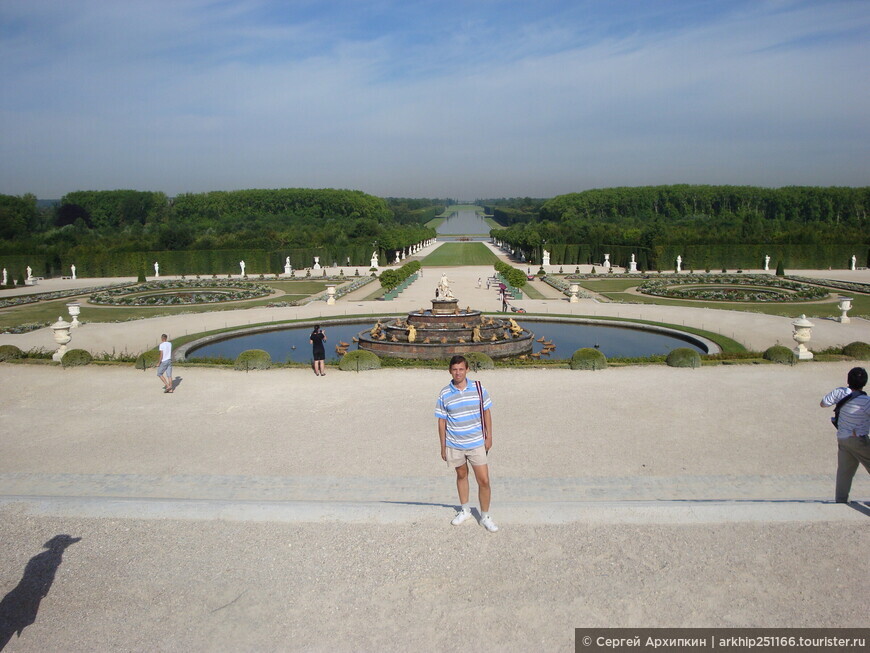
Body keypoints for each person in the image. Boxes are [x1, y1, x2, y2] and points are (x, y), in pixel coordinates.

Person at [435, 355, 498, 532]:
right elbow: (441, 421)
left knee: (484, 480)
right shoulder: (445, 393)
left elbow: (487, 412)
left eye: (461, 369)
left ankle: (485, 515)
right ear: (450, 371)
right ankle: (465, 510)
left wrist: (489, 436)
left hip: (476, 441)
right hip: (455, 443)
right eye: (455, 369)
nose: (458, 373)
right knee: (461, 476)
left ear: (467, 370)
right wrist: (443, 446)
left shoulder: (478, 388)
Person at [820, 367, 870, 503]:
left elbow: (823, 403)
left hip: (842, 438)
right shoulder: (866, 401)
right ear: (864, 382)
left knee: (844, 472)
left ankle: (841, 501)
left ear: (848, 380)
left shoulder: (840, 392)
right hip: (859, 439)